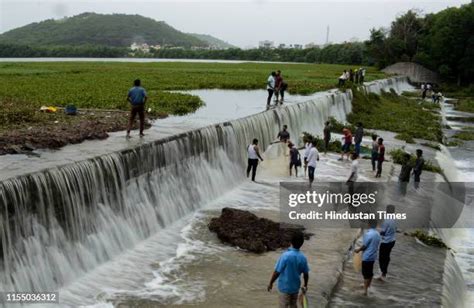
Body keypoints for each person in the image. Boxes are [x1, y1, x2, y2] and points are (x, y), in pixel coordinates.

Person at [267, 231, 309, 308]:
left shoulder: (285, 256)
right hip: (295, 288)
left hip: (284, 289)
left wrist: (270, 283)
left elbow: (277, 272)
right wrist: (305, 285)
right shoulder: (303, 258)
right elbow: (306, 273)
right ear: (302, 244)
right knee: (293, 305)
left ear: (291, 242)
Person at [355, 219, 381, 296]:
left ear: (369, 225)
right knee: (370, 273)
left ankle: (365, 291)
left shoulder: (368, 234)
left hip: (367, 257)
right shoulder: (377, 234)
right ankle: (368, 286)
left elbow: (364, 246)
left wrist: (358, 250)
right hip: (373, 256)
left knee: (365, 274)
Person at [378, 205, 397, 280]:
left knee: (381, 258)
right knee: (387, 256)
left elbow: (383, 232)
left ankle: (382, 272)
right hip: (392, 241)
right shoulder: (394, 218)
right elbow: (395, 228)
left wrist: (377, 233)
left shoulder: (386, 220)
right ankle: (384, 273)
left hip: (386, 241)